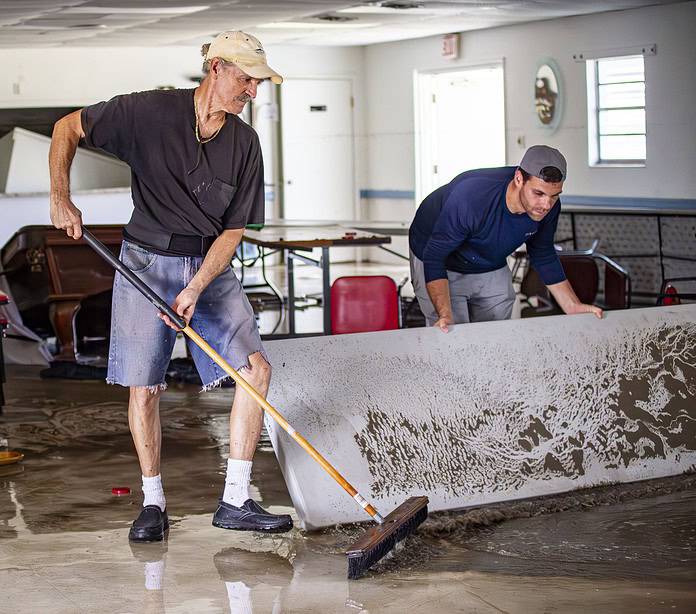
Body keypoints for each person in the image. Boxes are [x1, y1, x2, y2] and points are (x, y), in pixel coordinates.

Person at [48, 31, 292, 541]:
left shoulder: (245, 144)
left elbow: (233, 229)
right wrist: (60, 197)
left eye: (257, 82)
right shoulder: (148, 112)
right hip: (145, 263)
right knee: (146, 387)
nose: (252, 91)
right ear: (217, 68)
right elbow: (66, 128)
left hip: (209, 265)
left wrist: (198, 286)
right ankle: (153, 502)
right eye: (246, 79)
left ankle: (237, 498)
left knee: (256, 369)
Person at [409, 145, 603, 332]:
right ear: (518, 178)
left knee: (496, 333)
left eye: (554, 195)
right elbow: (435, 255)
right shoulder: (471, 198)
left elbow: (543, 253)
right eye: (538, 193)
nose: (546, 204)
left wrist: (573, 306)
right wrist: (444, 313)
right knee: (452, 334)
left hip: (487, 258)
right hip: (437, 254)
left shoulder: (549, 207)